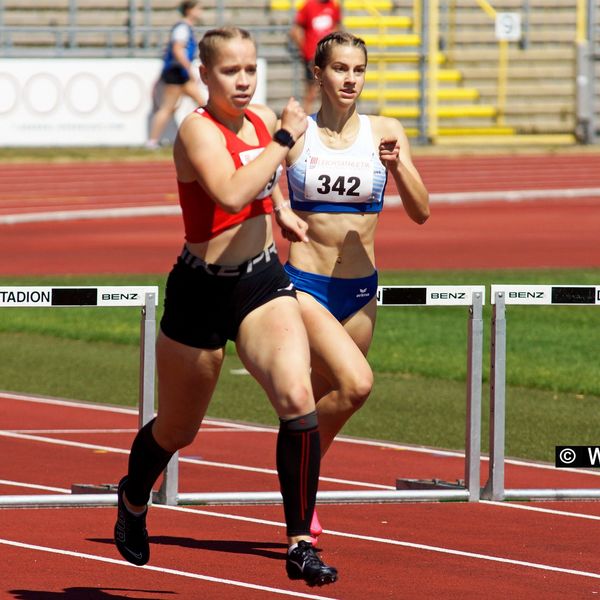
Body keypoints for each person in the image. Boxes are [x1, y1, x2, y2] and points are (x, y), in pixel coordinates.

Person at [115, 27, 338, 587]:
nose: (243, 81)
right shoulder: (196, 130)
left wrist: (282, 209)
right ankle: (134, 496)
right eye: (230, 72)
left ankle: (299, 543)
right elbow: (233, 191)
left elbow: (262, 182)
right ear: (205, 76)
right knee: (178, 429)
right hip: (201, 291)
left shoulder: (261, 119)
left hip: (260, 281)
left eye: (250, 69)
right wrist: (285, 140)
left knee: (296, 396)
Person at [281, 31, 430, 544]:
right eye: (340, 69)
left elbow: (421, 212)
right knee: (357, 384)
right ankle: (297, 485)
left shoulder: (385, 131)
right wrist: (278, 211)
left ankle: (299, 481)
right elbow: (252, 187)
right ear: (319, 74)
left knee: (327, 400)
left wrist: (399, 166)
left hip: (360, 290)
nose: (351, 79)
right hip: (304, 284)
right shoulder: (297, 134)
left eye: (359, 70)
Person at [146, 1, 206, 149]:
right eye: (198, 9)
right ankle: (152, 141)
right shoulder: (182, 28)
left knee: (202, 103)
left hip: (180, 74)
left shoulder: (186, 28)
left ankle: (210, 134)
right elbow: (177, 50)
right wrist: (189, 69)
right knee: (167, 108)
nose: (200, 12)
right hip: (176, 73)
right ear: (189, 10)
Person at [289, 0, 341, 114]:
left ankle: (327, 119)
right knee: (311, 92)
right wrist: (305, 50)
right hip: (312, 58)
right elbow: (295, 30)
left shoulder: (333, 5)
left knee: (328, 90)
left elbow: (337, 28)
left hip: (329, 56)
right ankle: (306, 121)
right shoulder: (308, 6)